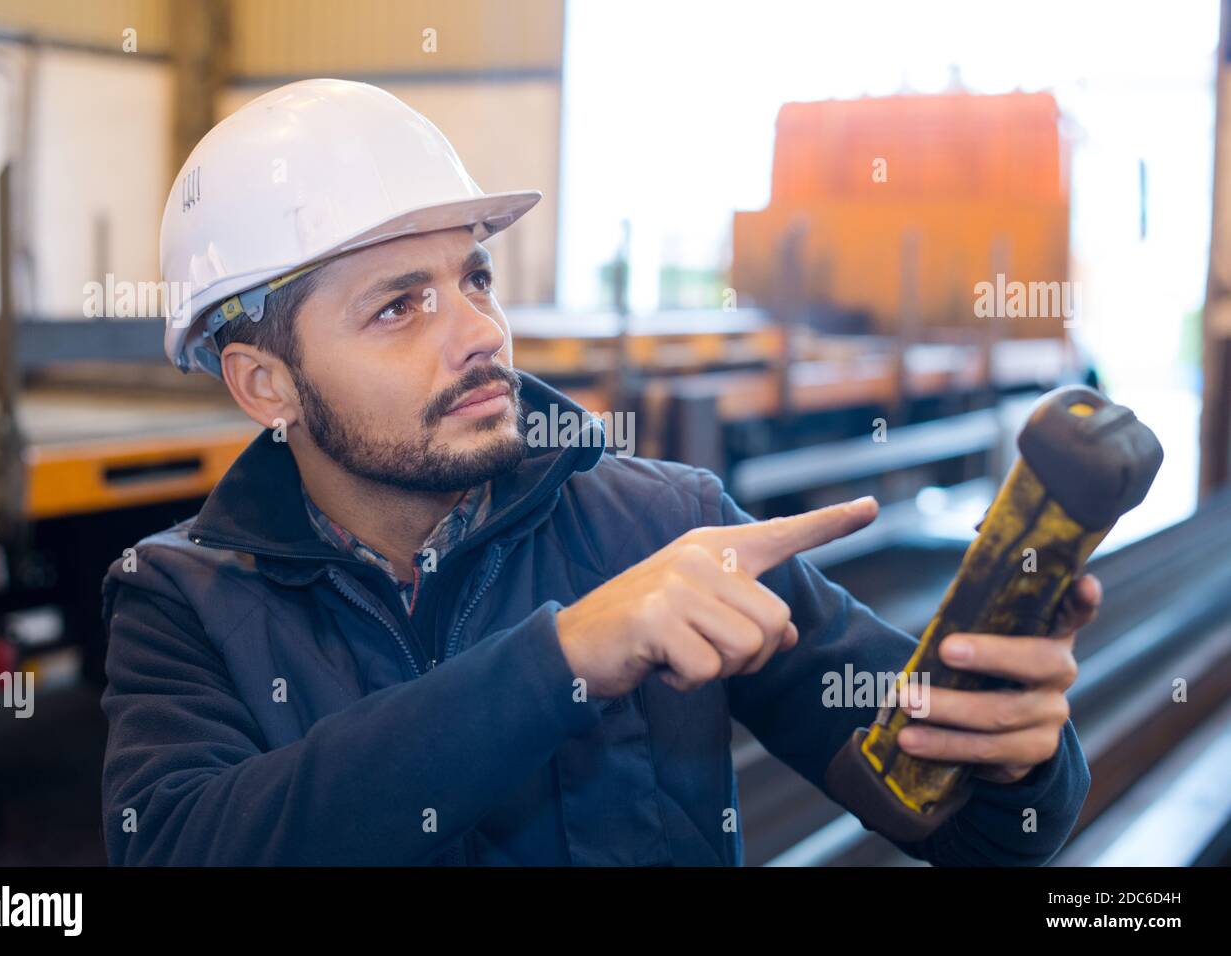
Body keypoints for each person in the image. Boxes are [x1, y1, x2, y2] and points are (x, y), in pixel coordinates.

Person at [100, 78, 1097, 865]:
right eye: (399, 306)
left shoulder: (668, 527)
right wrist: (564, 656)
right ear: (264, 382)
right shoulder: (182, 598)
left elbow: (971, 833)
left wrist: (1017, 754)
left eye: (474, 278)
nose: (482, 333)